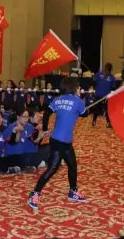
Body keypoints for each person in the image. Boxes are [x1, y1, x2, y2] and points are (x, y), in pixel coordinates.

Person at [28, 77, 87, 210]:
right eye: (78, 87)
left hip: (62, 141)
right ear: (74, 88)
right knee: (52, 169)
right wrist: (80, 107)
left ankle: (73, 191)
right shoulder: (77, 101)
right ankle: (35, 193)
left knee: (72, 165)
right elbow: (85, 114)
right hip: (61, 142)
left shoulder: (58, 99)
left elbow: (47, 113)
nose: (79, 89)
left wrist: (45, 128)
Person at [92, 63, 116, 128]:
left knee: (97, 108)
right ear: (111, 69)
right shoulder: (112, 77)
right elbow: (113, 87)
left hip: (100, 95)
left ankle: (94, 121)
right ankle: (108, 123)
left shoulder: (99, 74)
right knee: (107, 110)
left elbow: (94, 82)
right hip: (105, 96)